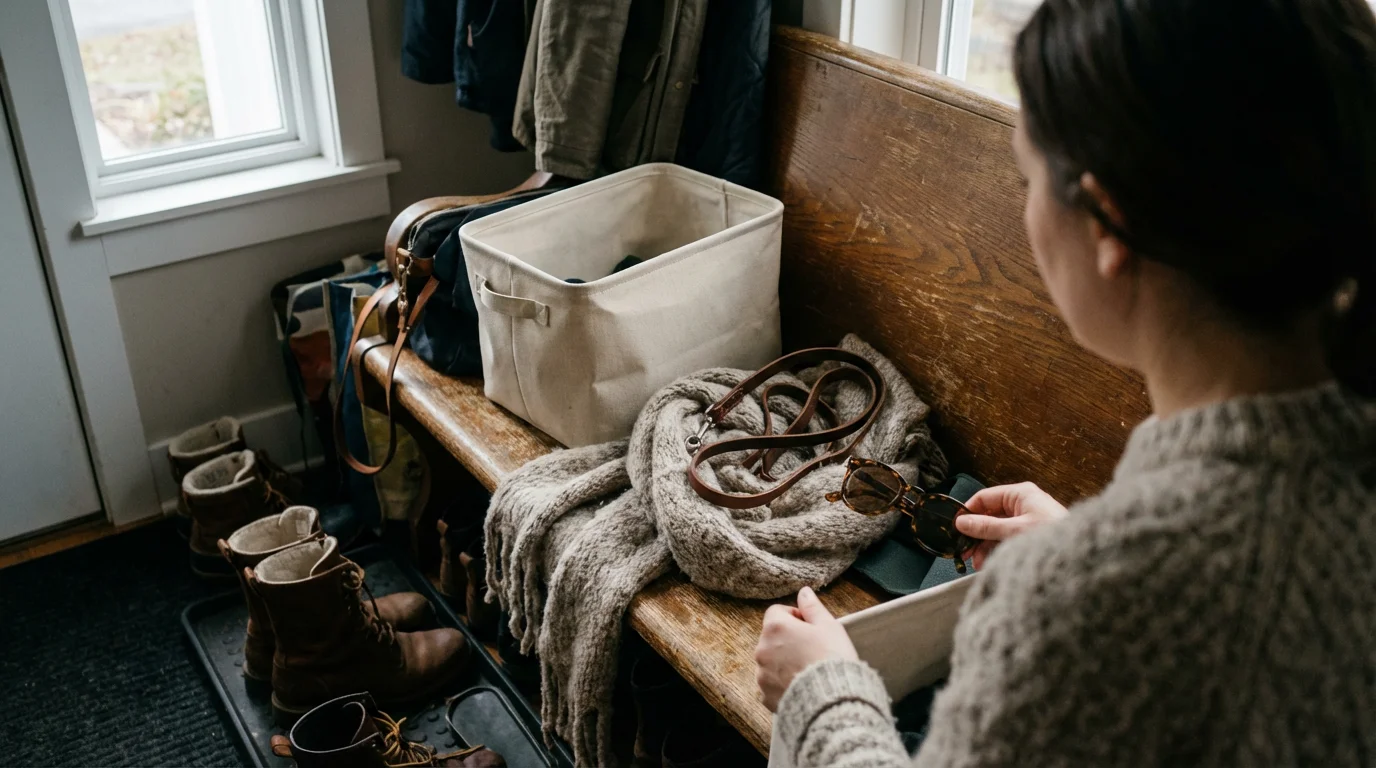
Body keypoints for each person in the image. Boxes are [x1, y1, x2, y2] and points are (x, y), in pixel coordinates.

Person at [755, 0, 1376, 765]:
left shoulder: (1084, 603)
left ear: (1109, 226)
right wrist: (1090, 548)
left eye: (1026, 178)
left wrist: (826, 693)